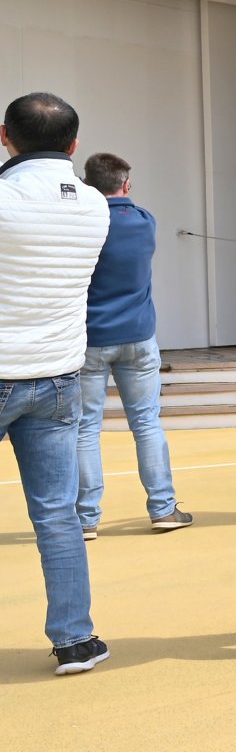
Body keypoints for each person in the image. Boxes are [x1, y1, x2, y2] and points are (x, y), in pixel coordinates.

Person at [1, 92, 112, 674]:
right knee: (57, 514)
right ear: (73, 146)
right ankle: (75, 640)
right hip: (58, 374)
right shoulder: (95, 204)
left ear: (4, 136)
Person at [74, 152, 192, 540]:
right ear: (126, 185)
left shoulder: (82, 224)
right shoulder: (145, 222)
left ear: (88, 184)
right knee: (146, 424)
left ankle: (86, 519)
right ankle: (163, 508)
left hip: (90, 341)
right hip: (139, 338)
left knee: (86, 430)